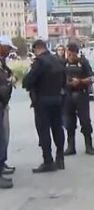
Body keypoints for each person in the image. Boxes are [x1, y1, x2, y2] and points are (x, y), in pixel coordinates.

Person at [22, 40, 66, 173]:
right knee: (58, 129)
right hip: (57, 99)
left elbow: (27, 82)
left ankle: (48, 161)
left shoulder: (39, 62)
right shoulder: (57, 60)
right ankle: (60, 158)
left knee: (44, 131)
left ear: (37, 49)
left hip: (42, 101)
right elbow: (64, 80)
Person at [63, 43, 94, 156]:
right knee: (69, 122)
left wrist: (81, 81)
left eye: (71, 54)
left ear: (75, 53)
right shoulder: (64, 63)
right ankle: (71, 147)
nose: (69, 56)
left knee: (85, 121)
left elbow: (91, 77)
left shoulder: (83, 62)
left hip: (81, 95)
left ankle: (89, 146)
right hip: (68, 96)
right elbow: (60, 77)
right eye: (68, 54)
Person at [0, 36, 15, 189]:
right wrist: (7, 85)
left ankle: (2, 164)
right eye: (7, 48)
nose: (9, 51)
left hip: (2, 103)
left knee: (3, 137)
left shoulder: (3, 63)